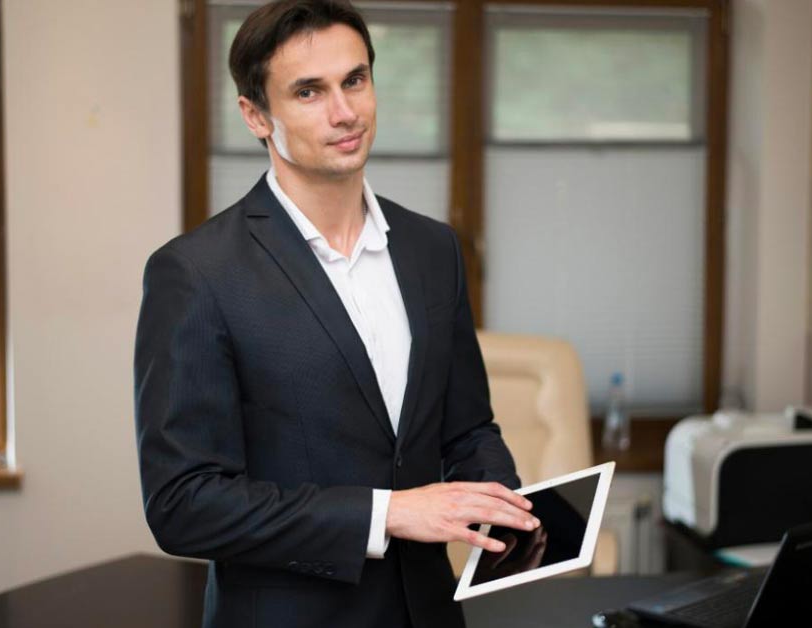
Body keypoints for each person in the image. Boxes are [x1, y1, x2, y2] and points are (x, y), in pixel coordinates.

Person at [133, 1, 534, 625]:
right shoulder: (195, 274)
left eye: (355, 80)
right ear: (255, 115)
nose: (345, 112)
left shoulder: (433, 249)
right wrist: (388, 513)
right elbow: (184, 504)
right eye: (308, 92)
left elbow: (467, 429)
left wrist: (501, 503)